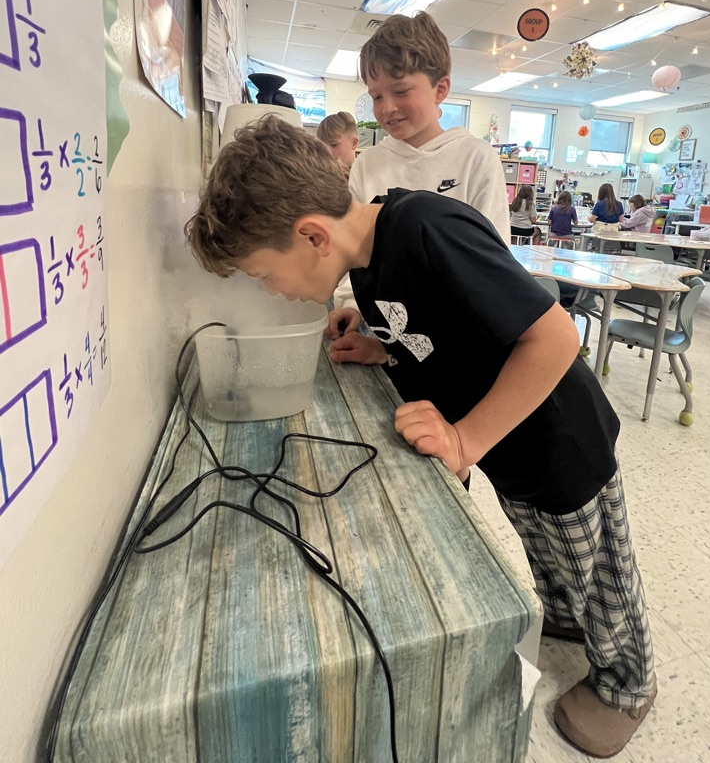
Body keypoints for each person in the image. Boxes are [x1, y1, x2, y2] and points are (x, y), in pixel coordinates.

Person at [185, 117, 657, 759]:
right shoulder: (369, 262)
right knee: (546, 549)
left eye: (264, 274)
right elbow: (441, 326)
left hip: (557, 438)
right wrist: (384, 343)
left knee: (598, 564)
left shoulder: (426, 229)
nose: (272, 290)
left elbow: (552, 339)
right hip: (507, 445)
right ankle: (570, 619)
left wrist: (464, 441)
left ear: (312, 236)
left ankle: (629, 682)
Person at [329, 11, 511, 352]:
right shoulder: (367, 165)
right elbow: (352, 253)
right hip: (381, 334)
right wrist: (350, 305)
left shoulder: (475, 158)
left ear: (440, 88)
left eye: (400, 91)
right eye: (377, 96)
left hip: (456, 340)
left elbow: (493, 265)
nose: (387, 108)